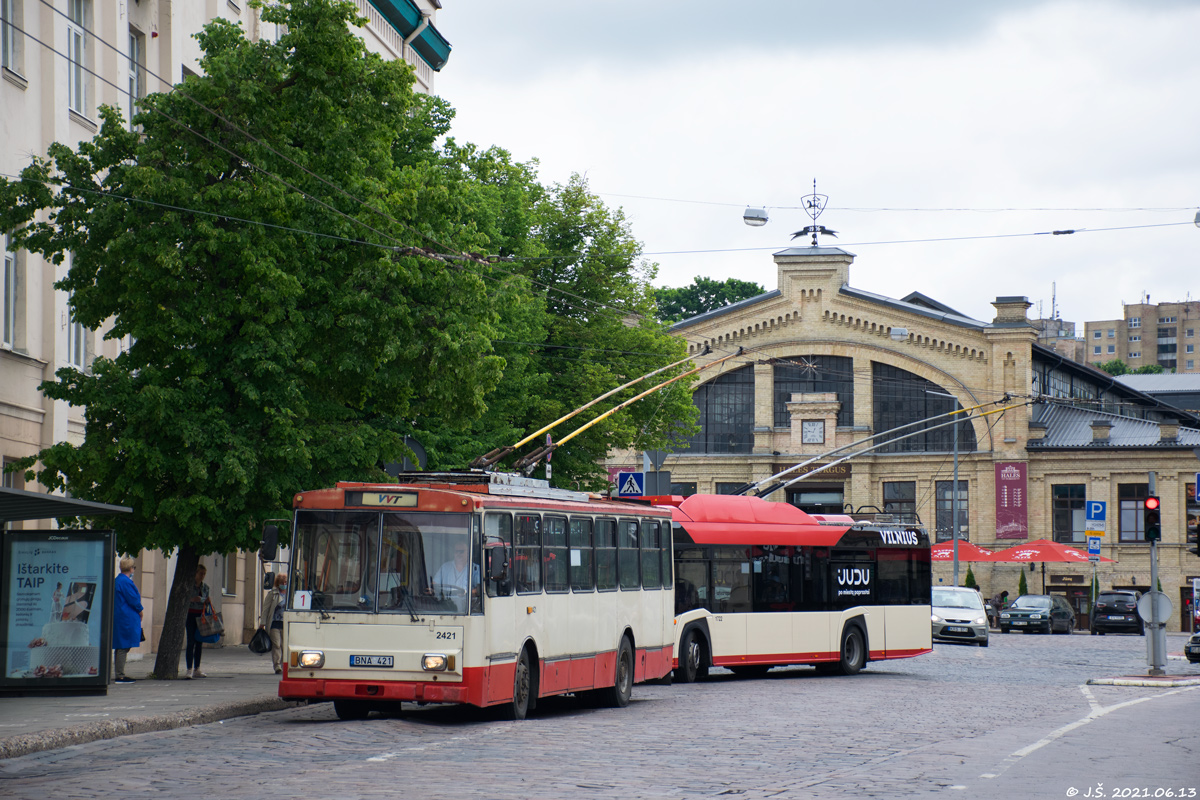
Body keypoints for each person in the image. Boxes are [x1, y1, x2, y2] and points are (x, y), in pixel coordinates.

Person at [113, 557, 144, 684]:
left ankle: (119, 673)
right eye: (133, 567)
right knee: (123, 645)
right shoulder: (125, 582)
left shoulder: (118, 580)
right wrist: (140, 610)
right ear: (131, 568)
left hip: (121, 615)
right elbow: (133, 599)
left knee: (122, 644)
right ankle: (120, 675)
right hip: (126, 617)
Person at [430, 540, 479, 609]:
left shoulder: (475, 568)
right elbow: (434, 583)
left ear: (468, 553)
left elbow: (479, 588)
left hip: (467, 606)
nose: (459, 554)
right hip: (445, 604)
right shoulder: (445, 567)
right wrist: (431, 589)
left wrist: (467, 594)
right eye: (456, 551)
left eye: (461, 551)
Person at [259, 572, 288, 675]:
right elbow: (266, 609)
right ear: (278, 583)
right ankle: (277, 666)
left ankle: (284, 665)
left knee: (285, 645)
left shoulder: (290, 594)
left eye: (285, 582)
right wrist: (262, 622)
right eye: (282, 582)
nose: (284, 583)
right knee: (276, 644)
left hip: (286, 623)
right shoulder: (273, 593)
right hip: (274, 623)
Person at [184, 565, 210, 679]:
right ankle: (189, 668)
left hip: (201, 614)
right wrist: (192, 599)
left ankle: (197, 668)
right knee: (191, 642)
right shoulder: (189, 586)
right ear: (195, 574)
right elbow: (185, 599)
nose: (202, 576)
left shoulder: (205, 587)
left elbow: (207, 599)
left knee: (199, 642)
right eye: (200, 574)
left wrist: (203, 600)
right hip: (190, 614)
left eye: (204, 574)